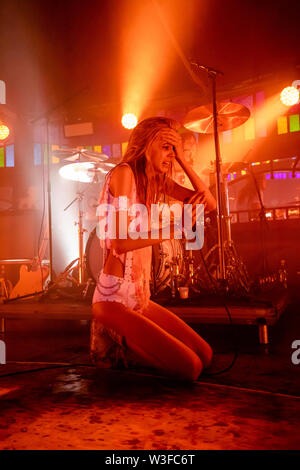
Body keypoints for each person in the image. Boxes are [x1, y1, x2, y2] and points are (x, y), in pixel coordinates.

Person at [91, 117, 216, 381]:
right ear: (146, 144)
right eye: (166, 146)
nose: (170, 155)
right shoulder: (124, 173)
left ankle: (121, 345)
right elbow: (120, 242)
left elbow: (210, 203)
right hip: (113, 297)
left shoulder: (157, 182)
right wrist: (177, 229)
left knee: (206, 355)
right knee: (191, 368)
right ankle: (116, 345)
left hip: (139, 297)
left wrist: (182, 159)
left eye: (174, 148)